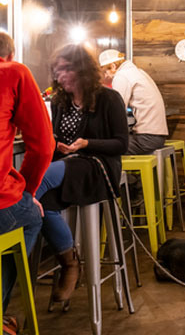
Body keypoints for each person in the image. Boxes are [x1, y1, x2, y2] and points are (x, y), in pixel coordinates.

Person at [36, 44, 128, 306]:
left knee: (35, 184)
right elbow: (57, 141)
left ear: (83, 70)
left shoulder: (109, 99)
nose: (61, 75)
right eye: (58, 70)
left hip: (99, 167)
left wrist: (87, 144)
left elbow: (122, 144)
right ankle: (70, 263)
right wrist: (55, 144)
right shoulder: (60, 102)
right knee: (41, 204)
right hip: (69, 166)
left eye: (67, 69)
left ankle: (22, 245)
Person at [0, 33, 53, 319]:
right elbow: (44, 146)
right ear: (11, 54)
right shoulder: (14, 72)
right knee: (30, 217)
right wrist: (28, 193)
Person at [99, 49, 168, 155]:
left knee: (101, 149)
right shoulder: (138, 72)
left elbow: (116, 110)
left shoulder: (122, 76)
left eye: (105, 71)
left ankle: (119, 172)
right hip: (156, 136)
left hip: (147, 139)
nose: (106, 76)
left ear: (113, 66)